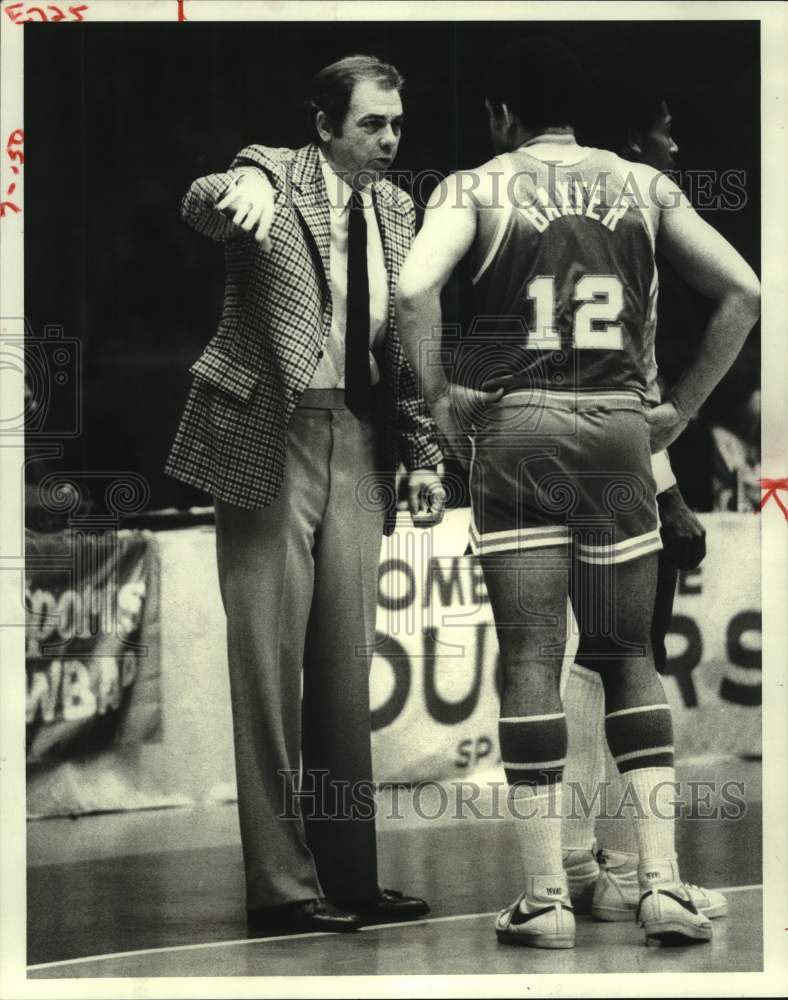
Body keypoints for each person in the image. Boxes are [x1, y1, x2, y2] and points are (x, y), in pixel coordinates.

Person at [396, 38, 760, 949]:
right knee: (626, 654)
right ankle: (664, 888)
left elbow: (410, 289)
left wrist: (440, 394)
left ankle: (547, 898)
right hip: (616, 430)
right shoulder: (638, 183)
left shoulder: (475, 185)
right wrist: (677, 409)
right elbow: (745, 292)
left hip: (518, 428)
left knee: (529, 659)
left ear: (499, 116)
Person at [166, 54, 445, 936]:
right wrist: (238, 185)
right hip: (269, 436)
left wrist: (426, 456)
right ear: (324, 124)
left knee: (341, 668)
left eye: (397, 125)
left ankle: (351, 878)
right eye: (372, 123)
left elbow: (406, 344)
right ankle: (282, 891)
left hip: (362, 439)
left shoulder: (401, 209)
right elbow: (206, 199)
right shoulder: (270, 176)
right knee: (266, 671)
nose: (390, 141)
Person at [561, 67, 727, 923]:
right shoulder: (641, 210)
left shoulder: (524, 212)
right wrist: (667, 479)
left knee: (578, 661)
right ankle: (628, 872)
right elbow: (634, 382)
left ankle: (583, 867)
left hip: (528, 456)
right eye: (665, 128)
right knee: (623, 659)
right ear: (633, 143)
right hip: (620, 459)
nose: (677, 143)